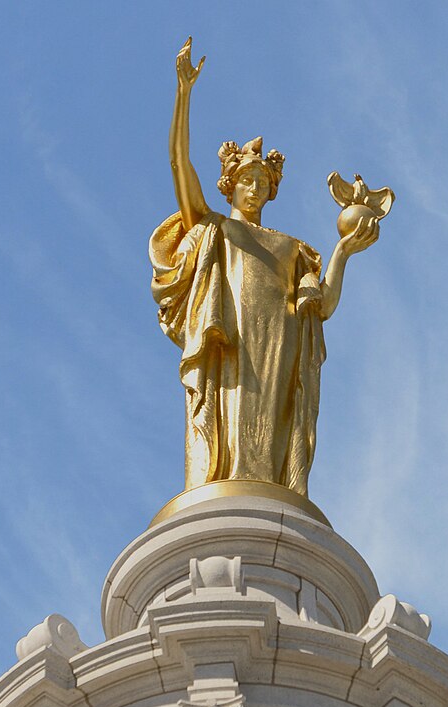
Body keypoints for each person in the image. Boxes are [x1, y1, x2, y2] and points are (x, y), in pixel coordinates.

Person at [150, 38, 379, 497]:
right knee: (226, 435)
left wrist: (343, 252)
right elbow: (179, 163)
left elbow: (324, 305)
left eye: (262, 181)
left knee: (276, 438)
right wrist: (184, 94)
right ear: (228, 186)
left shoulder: (293, 250)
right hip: (231, 347)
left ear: (272, 189)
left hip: (280, 346)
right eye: (245, 180)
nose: (253, 188)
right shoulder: (214, 229)